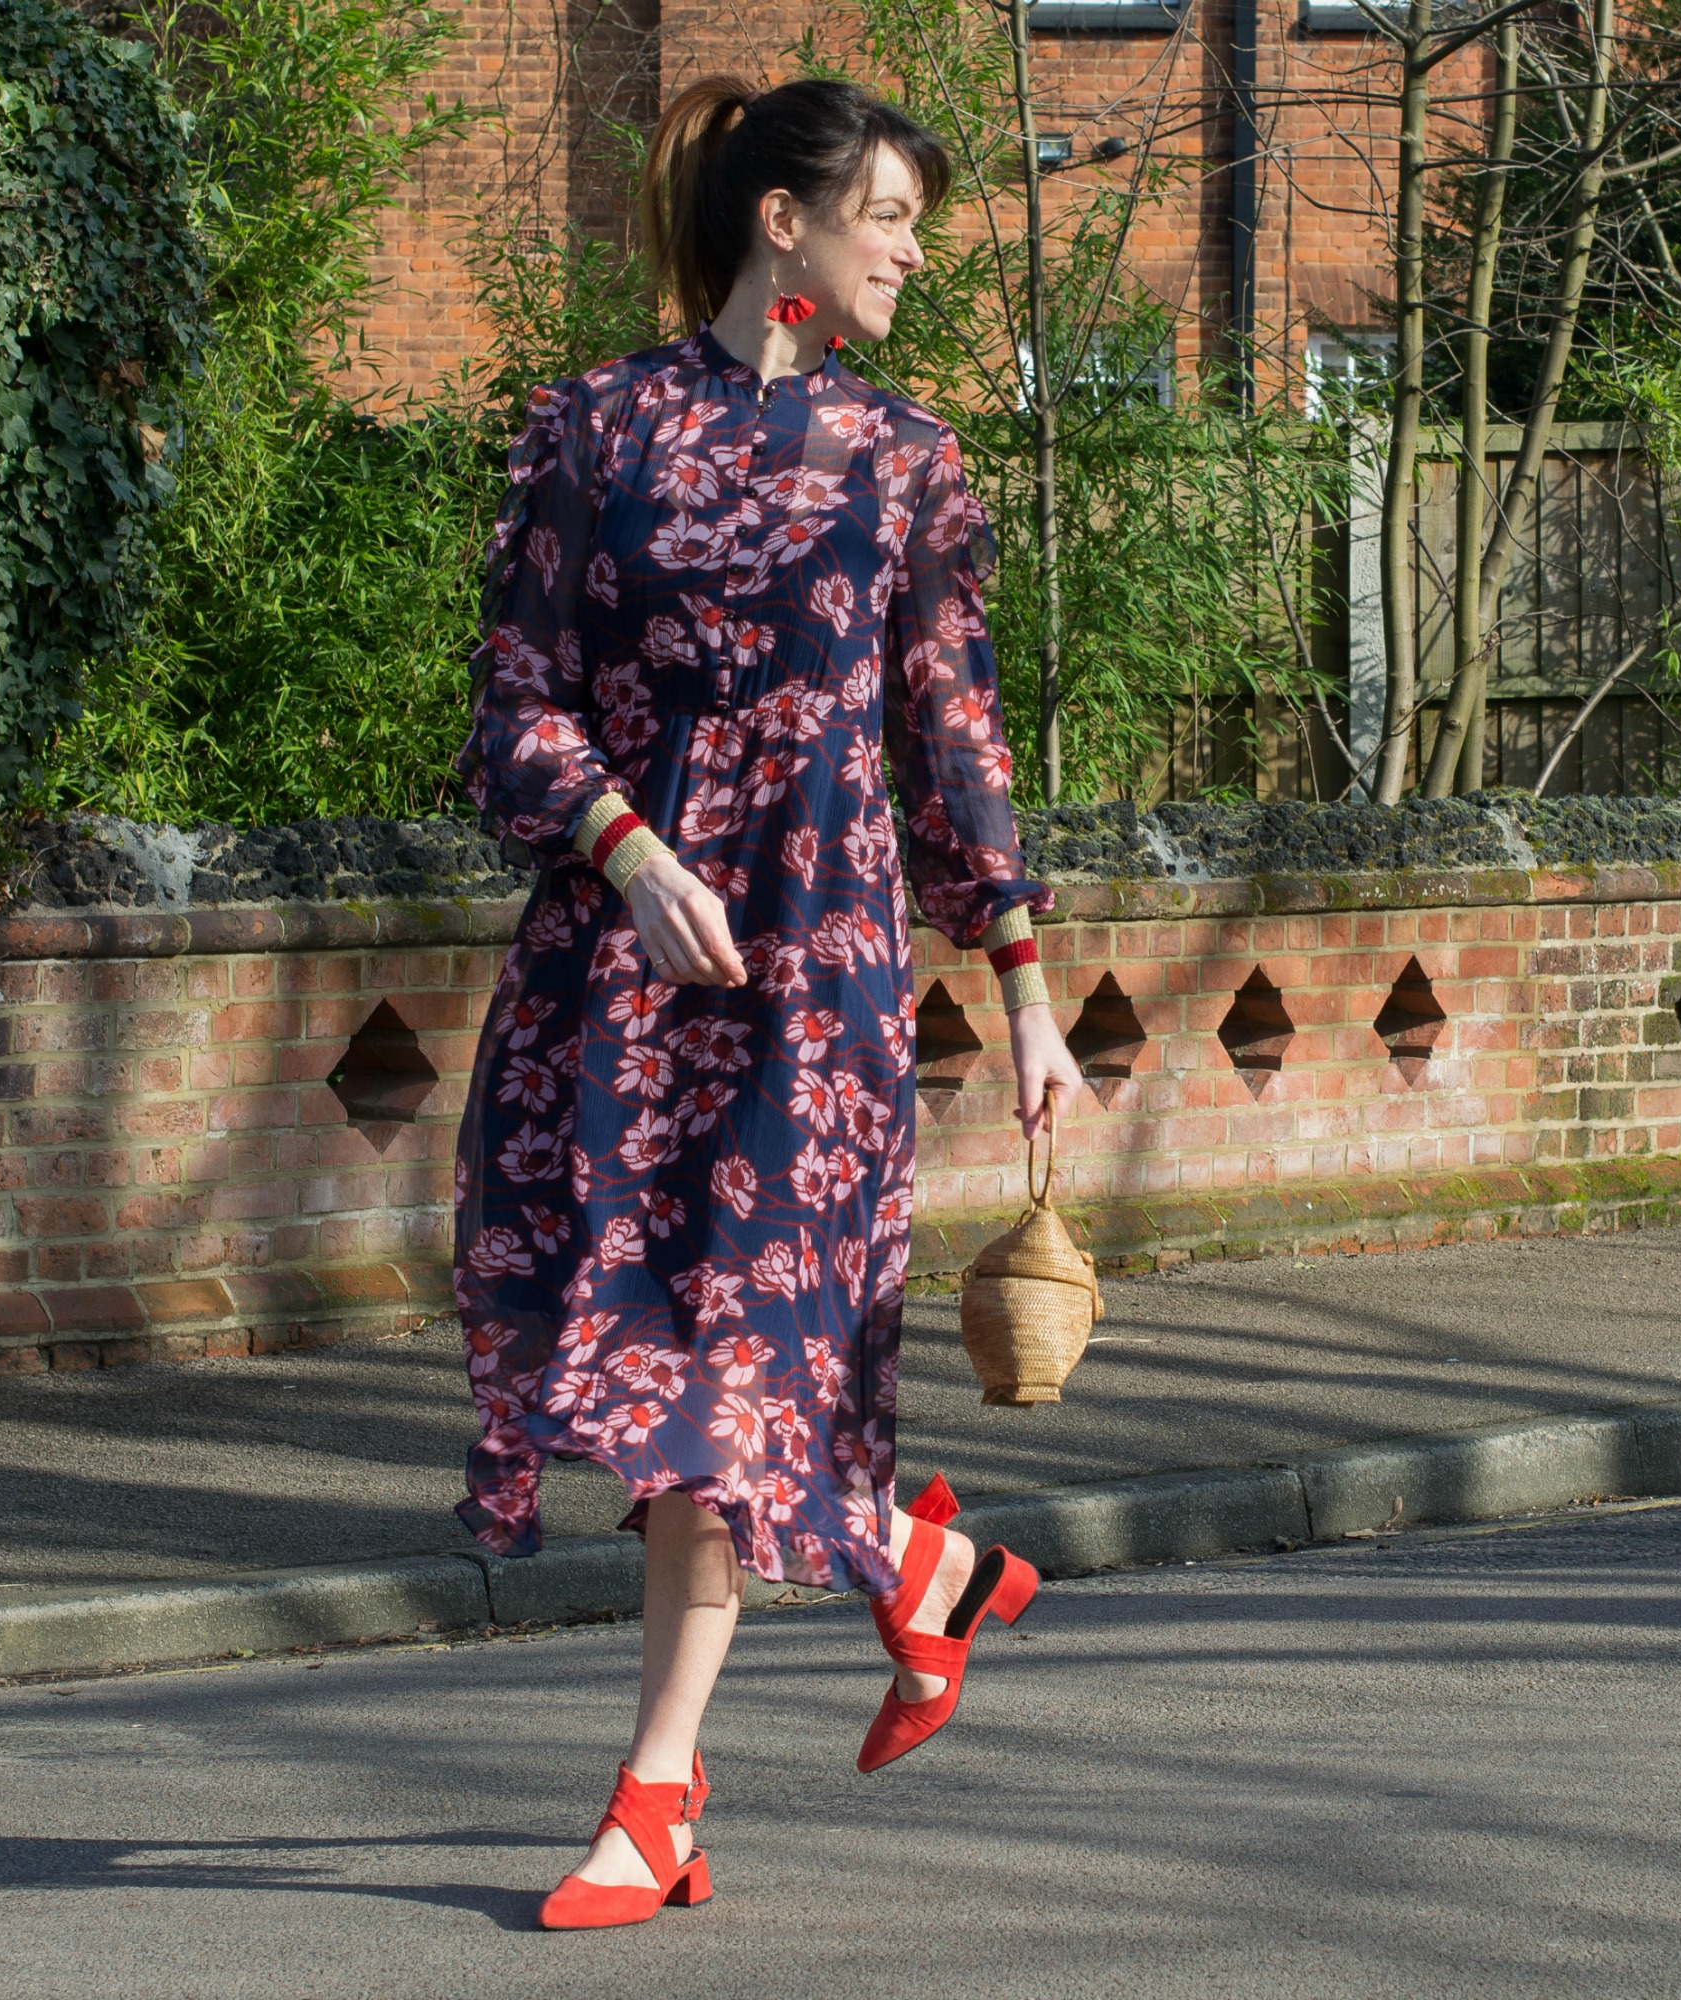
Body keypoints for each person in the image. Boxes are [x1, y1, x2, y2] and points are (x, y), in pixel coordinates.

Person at [451, 73, 1085, 1931]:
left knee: (721, 1395)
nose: (913, 249)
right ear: (782, 223)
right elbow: (510, 706)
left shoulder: (906, 461)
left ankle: (653, 1798)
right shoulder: (591, 430)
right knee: (664, 1397)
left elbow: (952, 734)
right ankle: (916, 1573)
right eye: (889, 213)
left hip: (817, 995)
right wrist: (626, 849)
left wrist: (1029, 983)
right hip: (621, 993)